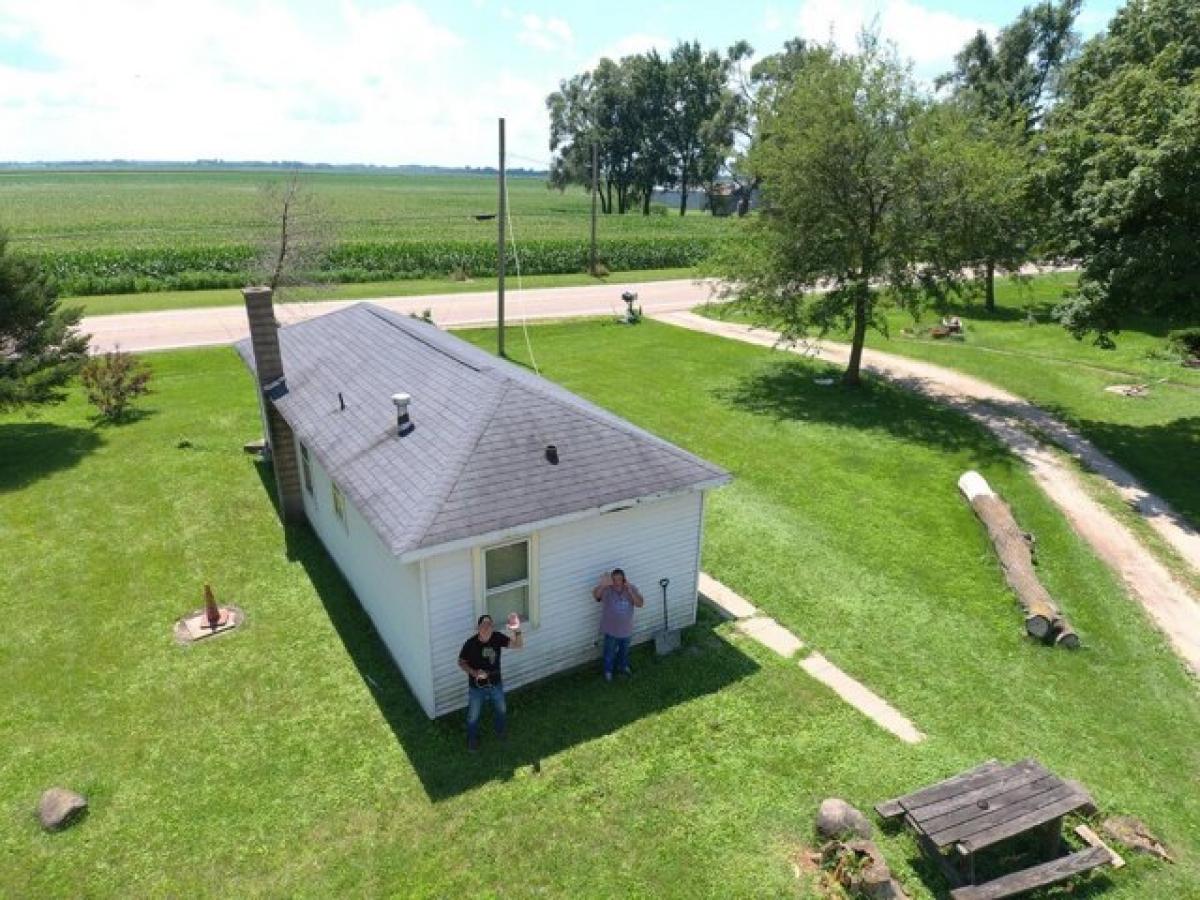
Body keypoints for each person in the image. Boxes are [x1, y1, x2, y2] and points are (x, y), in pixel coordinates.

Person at [458, 613, 524, 751]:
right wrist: (475, 673)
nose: (486, 627)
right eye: (484, 624)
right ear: (478, 627)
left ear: (492, 627)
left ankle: (500, 730)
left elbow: (518, 645)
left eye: (489, 625)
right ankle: (472, 738)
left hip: (495, 684)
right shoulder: (470, 644)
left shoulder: (497, 637)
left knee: (502, 709)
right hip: (476, 687)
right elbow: (461, 662)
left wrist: (517, 630)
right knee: (473, 715)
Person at [593, 568, 644, 681]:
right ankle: (608, 672)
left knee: (624, 652)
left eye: (619, 579)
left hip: (626, 630)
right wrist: (603, 584)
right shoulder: (608, 590)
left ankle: (623, 666)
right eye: (614, 579)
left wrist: (630, 591)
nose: (617, 582)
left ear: (624, 580)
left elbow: (640, 604)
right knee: (609, 653)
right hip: (611, 630)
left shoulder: (631, 589)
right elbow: (596, 596)